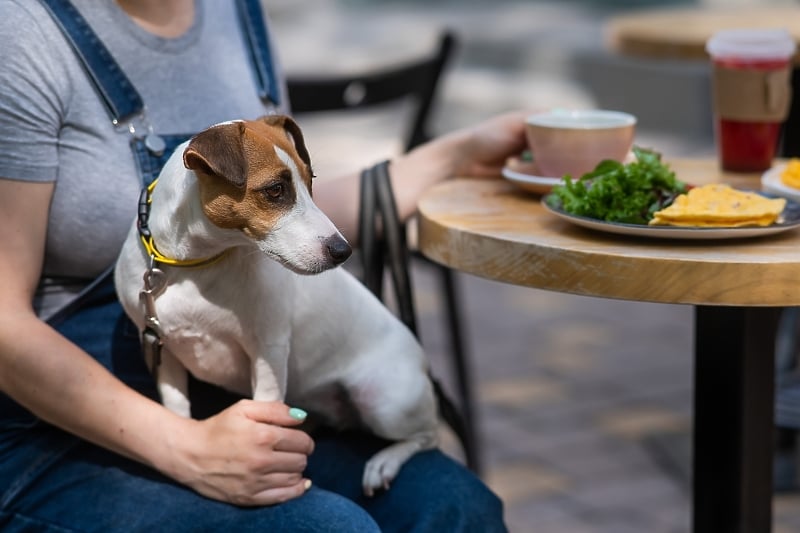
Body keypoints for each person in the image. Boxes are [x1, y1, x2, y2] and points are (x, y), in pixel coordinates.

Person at [0, 1, 528, 531]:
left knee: (460, 508)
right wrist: (186, 449)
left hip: (234, 391)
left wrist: (454, 155)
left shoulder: (237, 13)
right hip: (55, 411)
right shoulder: (23, 30)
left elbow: (278, 208)